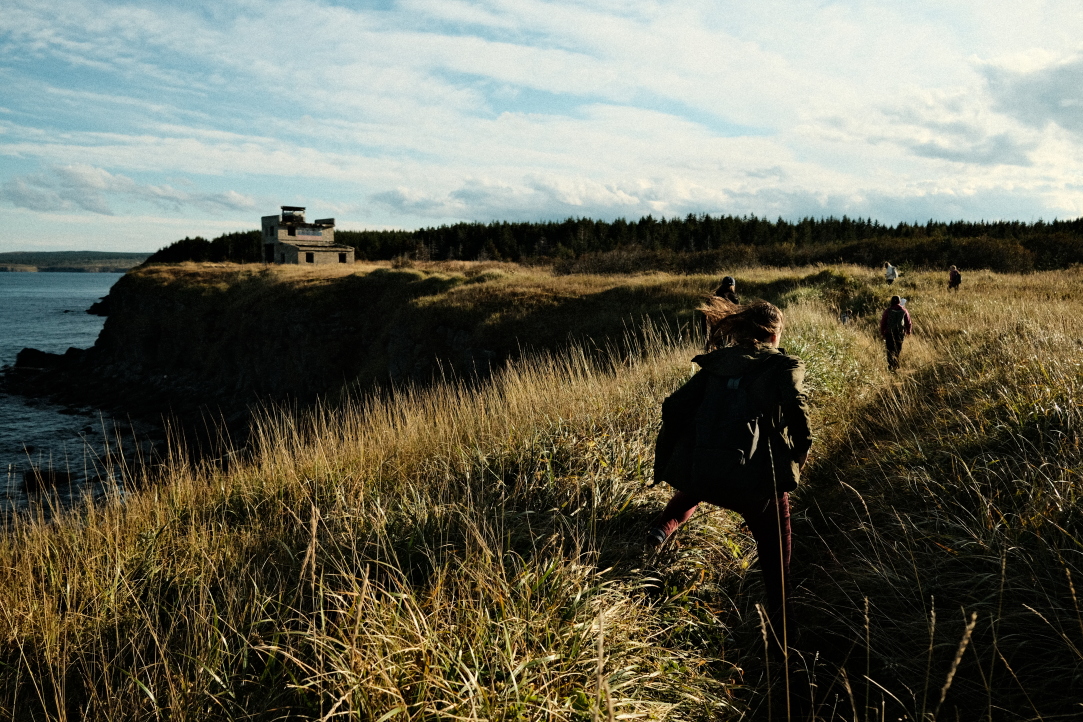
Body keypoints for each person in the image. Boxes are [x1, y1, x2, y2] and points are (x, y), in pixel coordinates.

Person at [648, 298, 813, 654]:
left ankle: (658, 533)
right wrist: (801, 452)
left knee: (697, 486)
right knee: (776, 554)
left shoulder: (716, 365)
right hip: (755, 484)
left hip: (707, 472)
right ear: (774, 333)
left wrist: (688, 450)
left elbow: (674, 406)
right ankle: (783, 636)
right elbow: (798, 412)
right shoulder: (783, 366)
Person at [879, 295, 912, 372]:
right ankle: (896, 365)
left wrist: (883, 332)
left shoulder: (887, 311)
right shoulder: (904, 310)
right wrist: (908, 331)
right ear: (899, 302)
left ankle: (891, 366)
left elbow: (883, 322)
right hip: (900, 333)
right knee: (898, 349)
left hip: (889, 333)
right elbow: (908, 322)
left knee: (890, 350)